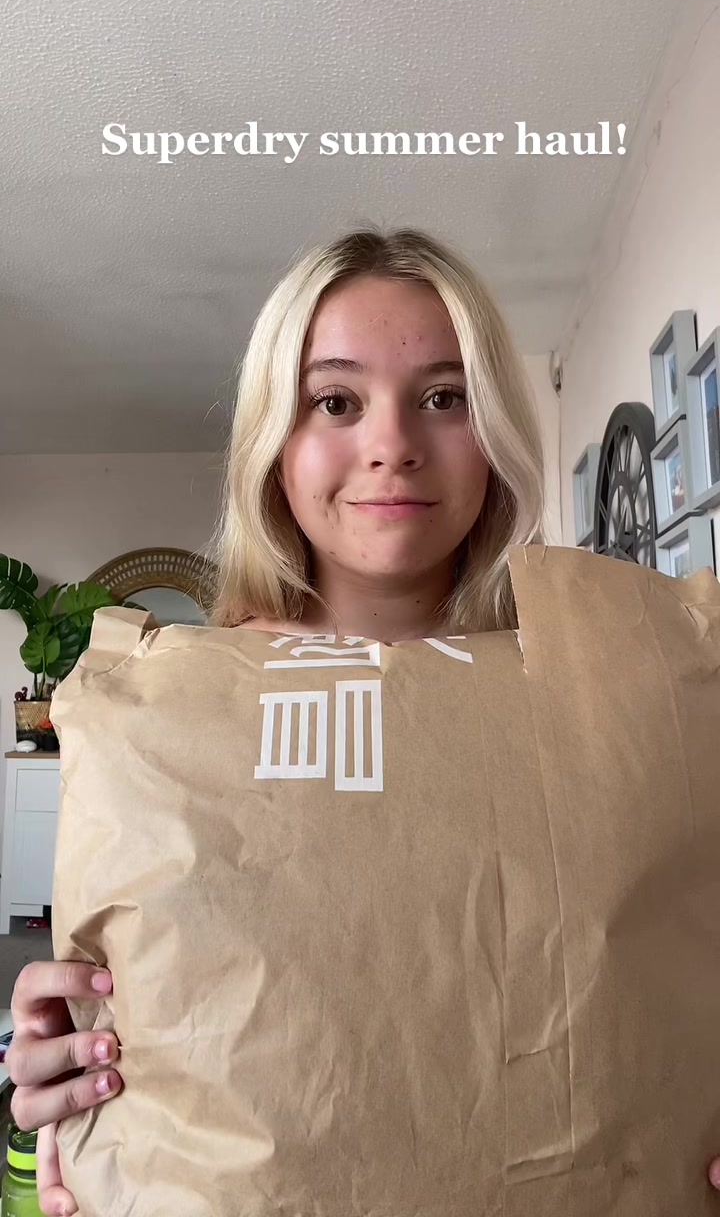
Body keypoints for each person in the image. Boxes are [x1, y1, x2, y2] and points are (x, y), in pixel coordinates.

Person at [6, 227, 720, 1215]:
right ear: (276, 439)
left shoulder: (627, 702)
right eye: (336, 401)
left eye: (445, 397)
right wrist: (68, 1075)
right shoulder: (163, 726)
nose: (393, 444)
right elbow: (107, 1036)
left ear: (496, 430)